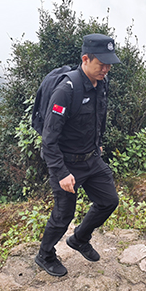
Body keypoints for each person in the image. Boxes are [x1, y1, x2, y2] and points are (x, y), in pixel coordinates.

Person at [35, 33, 121, 277]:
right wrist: (61, 173)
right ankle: (45, 254)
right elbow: (49, 139)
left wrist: (98, 144)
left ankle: (80, 238)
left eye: (109, 64)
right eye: (101, 64)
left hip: (91, 157)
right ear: (85, 59)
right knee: (64, 214)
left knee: (109, 201)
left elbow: (98, 118)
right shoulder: (66, 90)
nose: (106, 69)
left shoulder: (101, 83)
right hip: (67, 163)